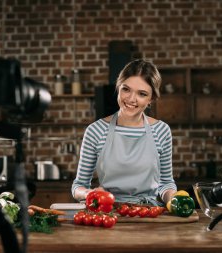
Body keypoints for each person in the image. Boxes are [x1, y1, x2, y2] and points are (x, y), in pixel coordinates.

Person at [71, 59, 177, 206]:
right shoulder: (95, 131)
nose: (131, 99)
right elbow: (78, 186)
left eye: (142, 94)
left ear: (151, 99)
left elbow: (166, 183)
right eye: (126, 89)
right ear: (118, 87)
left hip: (149, 213)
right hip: (107, 212)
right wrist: (89, 193)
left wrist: (174, 200)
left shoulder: (161, 131)